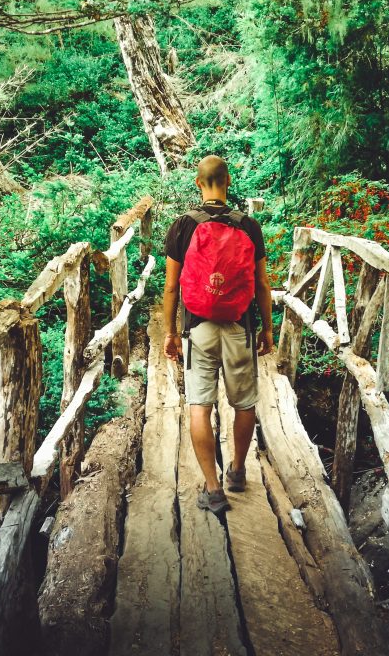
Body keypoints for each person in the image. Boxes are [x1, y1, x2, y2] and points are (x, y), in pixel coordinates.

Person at [163, 155, 274, 514]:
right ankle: (238, 471)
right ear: (227, 181)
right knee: (243, 403)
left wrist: (169, 332)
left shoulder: (182, 226)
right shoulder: (249, 226)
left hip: (198, 328)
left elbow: (170, 288)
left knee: (200, 405)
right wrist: (269, 328)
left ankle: (213, 489)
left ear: (199, 183)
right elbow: (261, 284)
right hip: (240, 326)